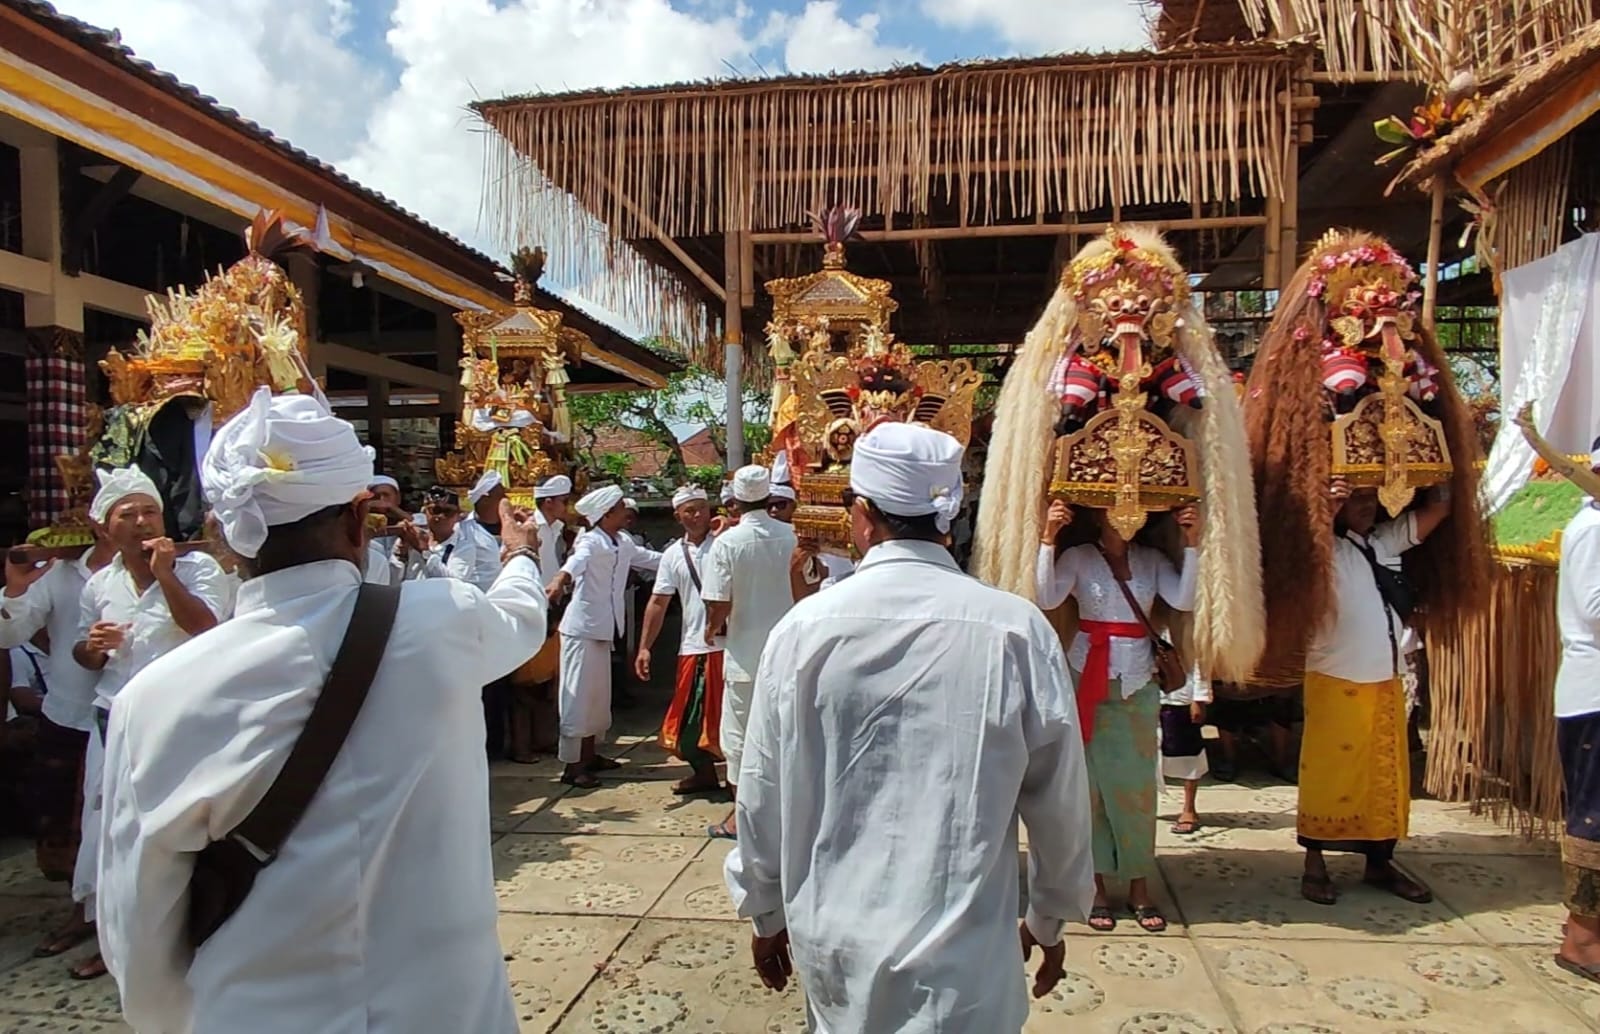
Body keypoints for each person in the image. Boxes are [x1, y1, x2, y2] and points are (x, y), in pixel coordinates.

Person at [96, 387, 547, 1034]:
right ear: (361, 516)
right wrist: (521, 552)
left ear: (224, 535)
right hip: (447, 1011)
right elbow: (524, 619)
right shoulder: (441, 622)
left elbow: (137, 930)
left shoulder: (154, 699)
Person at [725, 422, 1094, 1033]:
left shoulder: (803, 631)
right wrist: (1051, 914)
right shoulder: (1015, 629)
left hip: (837, 941)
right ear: (946, 519)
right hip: (968, 953)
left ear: (862, 515)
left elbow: (761, 787)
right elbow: (1060, 797)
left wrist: (765, 911)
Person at [73, 467, 232, 980]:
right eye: (129, 515)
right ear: (105, 528)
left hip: (180, 718)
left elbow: (208, 630)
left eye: (150, 512)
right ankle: (118, 940)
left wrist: (165, 575)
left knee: (182, 825)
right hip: (114, 716)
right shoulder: (100, 583)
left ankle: (194, 933)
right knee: (113, 830)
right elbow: (84, 655)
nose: (142, 522)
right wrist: (92, 648)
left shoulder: (198, 568)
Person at [1036, 498, 1199, 933]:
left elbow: (1184, 597)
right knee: (1089, 790)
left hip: (1138, 680)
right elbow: (1046, 595)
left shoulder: (1151, 560)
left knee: (1137, 789)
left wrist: (1192, 542)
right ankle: (1097, 886)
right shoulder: (1080, 557)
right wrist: (1048, 538)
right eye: (1115, 507)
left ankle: (1140, 884)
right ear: (1099, 513)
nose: (1125, 515)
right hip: (1087, 673)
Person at [1296, 478, 1451, 907]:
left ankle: (1379, 863)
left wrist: (1437, 467)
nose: (1364, 506)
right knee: (1328, 773)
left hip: (1386, 678)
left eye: (1370, 497)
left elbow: (1436, 512)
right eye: (1356, 499)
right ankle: (1315, 863)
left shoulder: (1384, 542)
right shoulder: (1324, 548)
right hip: (1335, 675)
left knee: (1385, 779)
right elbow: (1303, 556)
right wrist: (1327, 506)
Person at [0, 525, 115, 962]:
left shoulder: (161, 569)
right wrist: (14, 589)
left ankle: (118, 924)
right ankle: (82, 912)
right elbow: (9, 636)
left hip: (124, 714)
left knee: (115, 826)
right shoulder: (59, 573)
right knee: (61, 824)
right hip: (67, 714)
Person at [702, 465, 797, 839]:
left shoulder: (728, 542)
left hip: (744, 655)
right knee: (786, 732)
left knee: (739, 737)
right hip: (790, 655)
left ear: (736, 501)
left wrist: (710, 629)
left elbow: (718, 601)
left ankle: (743, 818)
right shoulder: (793, 536)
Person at [545, 486, 661, 788]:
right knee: (579, 698)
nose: (627, 510)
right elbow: (575, 563)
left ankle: (590, 755)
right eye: (621, 506)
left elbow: (653, 559)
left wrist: (691, 555)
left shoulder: (622, 542)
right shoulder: (590, 541)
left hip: (604, 630)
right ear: (607, 514)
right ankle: (573, 766)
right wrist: (560, 579)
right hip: (581, 631)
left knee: (597, 699)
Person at [636, 485, 723, 795]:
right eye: (690, 510)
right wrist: (645, 646)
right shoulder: (673, 555)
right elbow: (658, 602)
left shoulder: (727, 542)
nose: (697, 515)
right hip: (694, 646)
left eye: (702, 507)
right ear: (677, 516)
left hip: (731, 645)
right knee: (689, 720)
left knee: (731, 718)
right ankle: (704, 773)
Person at [1555, 451, 1600, 981]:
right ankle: (1582, 940)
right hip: (1592, 695)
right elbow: (1593, 607)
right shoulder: (1590, 527)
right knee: (1593, 817)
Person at [1161, 664, 1211, 835]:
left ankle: (1189, 809)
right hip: (1148, 696)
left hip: (1182, 698)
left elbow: (1201, 662)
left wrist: (1198, 699)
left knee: (1188, 754)